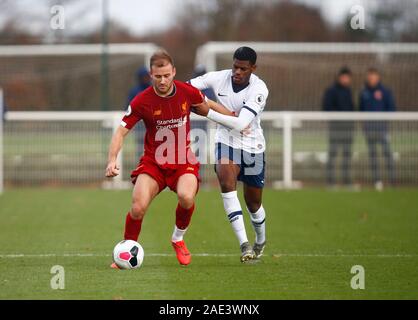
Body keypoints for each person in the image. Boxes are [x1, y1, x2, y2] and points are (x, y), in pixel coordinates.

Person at [106, 50, 232, 267]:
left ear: (173, 72)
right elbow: (120, 131)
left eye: (166, 75)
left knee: (186, 197)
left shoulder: (186, 92)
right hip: (153, 164)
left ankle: (178, 239)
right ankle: (127, 250)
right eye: (157, 76)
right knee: (137, 207)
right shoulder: (141, 101)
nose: (162, 80)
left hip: (183, 162)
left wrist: (233, 119)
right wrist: (111, 160)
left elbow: (208, 106)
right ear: (151, 75)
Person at [190, 47, 269, 262]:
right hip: (226, 143)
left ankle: (260, 241)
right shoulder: (219, 77)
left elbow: (241, 123)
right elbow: (188, 87)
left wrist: (209, 111)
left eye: (243, 68)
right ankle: (244, 245)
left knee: (253, 204)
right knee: (226, 181)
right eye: (235, 66)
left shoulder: (259, 89)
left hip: (253, 148)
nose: (237, 71)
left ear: (253, 68)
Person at [359, 68, 396, 191]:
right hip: (369, 130)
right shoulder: (363, 92)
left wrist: (384, 122)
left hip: (382, 129)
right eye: (369, 76)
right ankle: (377, 181)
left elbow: (391, 108)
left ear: (378, 77)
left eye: (373, 76)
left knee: (387, 154)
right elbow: (361, 110)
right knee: (373, 156)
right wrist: (364, 126)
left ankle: (392, 180)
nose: (371, 78)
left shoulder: (385, 91)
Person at [322, 67, 355, 187]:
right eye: (344, 77)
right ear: (340, 77)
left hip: (348, 129)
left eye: (348, 77)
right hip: (335, 128)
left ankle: (347, 181)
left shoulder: (349, 91)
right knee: (333, 154)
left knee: (347, 155)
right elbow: (326, 107)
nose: (346, 79)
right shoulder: (331, 91)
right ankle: (330, 182)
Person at [127, 67, 152, 160]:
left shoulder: (154, 89)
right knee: (140, 143)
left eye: (147, 76)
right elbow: (128, 107)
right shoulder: (134, 91)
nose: (146, 78)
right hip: (139, 123)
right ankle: (140, 161)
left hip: (152, 122)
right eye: (144, 77)